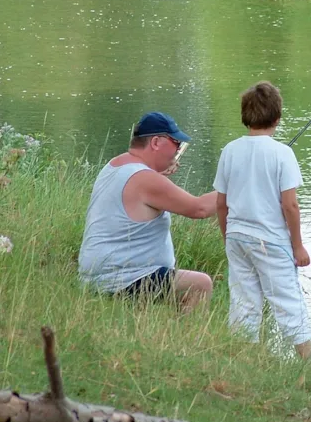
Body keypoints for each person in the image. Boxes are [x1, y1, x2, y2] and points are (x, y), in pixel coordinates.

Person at [79, 111, 216, 311]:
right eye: (176, 143)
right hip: (121, 279)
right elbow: (199, 209)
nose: (177, 150)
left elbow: (137, 194)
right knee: (200, 284)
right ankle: (187, 339)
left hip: (97, 276)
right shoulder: (145, 178)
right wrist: (235, 186)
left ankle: (165, 335)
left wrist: (157, 173)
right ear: (156, 142)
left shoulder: (116, 165)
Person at [213, 82, 311, 359]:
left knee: (243, 303)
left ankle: (243, 361)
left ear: (245, 115)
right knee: (288, 302)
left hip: (236, 236)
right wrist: (298, 247)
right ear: (278, 118)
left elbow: (221, 204)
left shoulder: (229, 151)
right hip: (271, 241)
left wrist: (227, 238)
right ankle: (308, 367)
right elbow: (290, 205)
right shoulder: (283, 154)